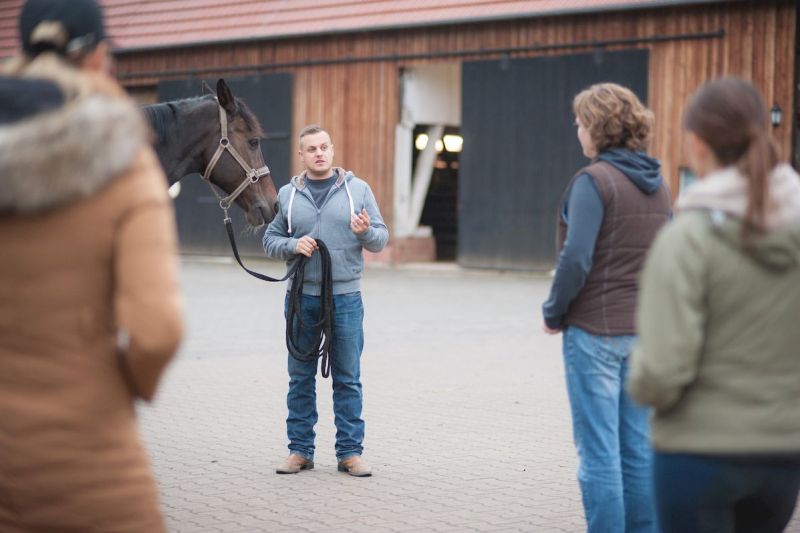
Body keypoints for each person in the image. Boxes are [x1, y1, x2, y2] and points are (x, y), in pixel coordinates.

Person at [0, 0, 183, 531]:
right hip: (90, 467)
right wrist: (125, 387)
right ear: (100, 55)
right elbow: (157, 331)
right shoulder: (124, 159)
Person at [629, 77, 800, 533]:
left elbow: (663, 369)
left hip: (698, 453)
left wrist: (638, 387)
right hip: (783, 455)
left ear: (698, 144)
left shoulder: (687, 239)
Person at [541, 83, 672, 532]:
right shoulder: (659, 185)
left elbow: (576, 258)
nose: (576, 129)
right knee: (637, 450)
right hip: (643, 333)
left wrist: (554, 311)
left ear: (597, 127)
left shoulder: (593, 182)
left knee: (598, 454)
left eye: (580, 122)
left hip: (595, 333)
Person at [263, 125, 388, 477]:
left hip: (345, 299)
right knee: (299, 378)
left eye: (323, 147)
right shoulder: (287, 194)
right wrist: (293, 245)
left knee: (347, 377)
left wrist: (365, 232)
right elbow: (270, 240)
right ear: (301, 155)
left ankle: (350, 453)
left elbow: (381, 239)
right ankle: (299, 451)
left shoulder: (358, 190)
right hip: (301, 300)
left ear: (332, 150)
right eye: (311, 149)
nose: (318, 153)